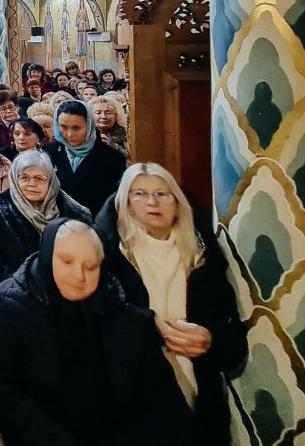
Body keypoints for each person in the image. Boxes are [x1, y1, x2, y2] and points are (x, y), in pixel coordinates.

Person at [0, 219, 195, 445]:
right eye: (66, 261)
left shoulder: (123, 315)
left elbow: (166, 405)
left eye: (90, 266)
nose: (79, 275)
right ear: (47, 256)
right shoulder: (7, 307)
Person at [96, 164, 246, 444]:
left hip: (196, 392)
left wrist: (211, 342)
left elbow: (233, 330)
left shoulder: (203, 254)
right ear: (125, 203)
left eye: (162, 194)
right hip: (133, 400)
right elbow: (96, 322)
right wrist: (143, 324)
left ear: (177, 202)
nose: (152, 202)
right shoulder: (107, 254)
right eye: (139, 193)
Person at [0, 149, 93, 278]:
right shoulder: (0, 208)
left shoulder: (75, 212)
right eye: (24, 177)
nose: (32, 184)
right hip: (20, 285)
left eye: (39, 178)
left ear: (51, 180)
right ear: (15, 179)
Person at [44, 100, 127, 215]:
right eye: (63, 127)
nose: (69, 134)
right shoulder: (48, 153)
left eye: (76, 128)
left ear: (89, 125)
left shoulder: (112, 158)